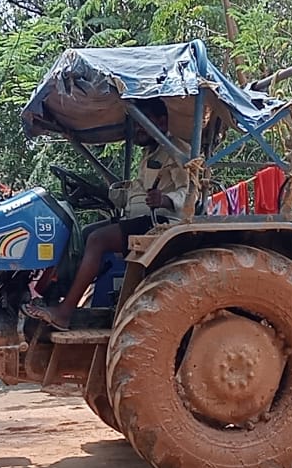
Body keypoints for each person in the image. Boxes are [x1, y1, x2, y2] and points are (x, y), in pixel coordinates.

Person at [23, 98, 190, 330]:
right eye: (137, 124)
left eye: (144, 123)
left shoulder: (176, 150)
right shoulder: (152, 153)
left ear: (162, 122)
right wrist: (104, 192)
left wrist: (166, 199)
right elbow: (136, 193)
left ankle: (64, 312)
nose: (139, 129)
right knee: (83, 234)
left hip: (164, 223)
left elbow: (190, 191)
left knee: (97, 240)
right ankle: (54, 295)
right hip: (142, 219)